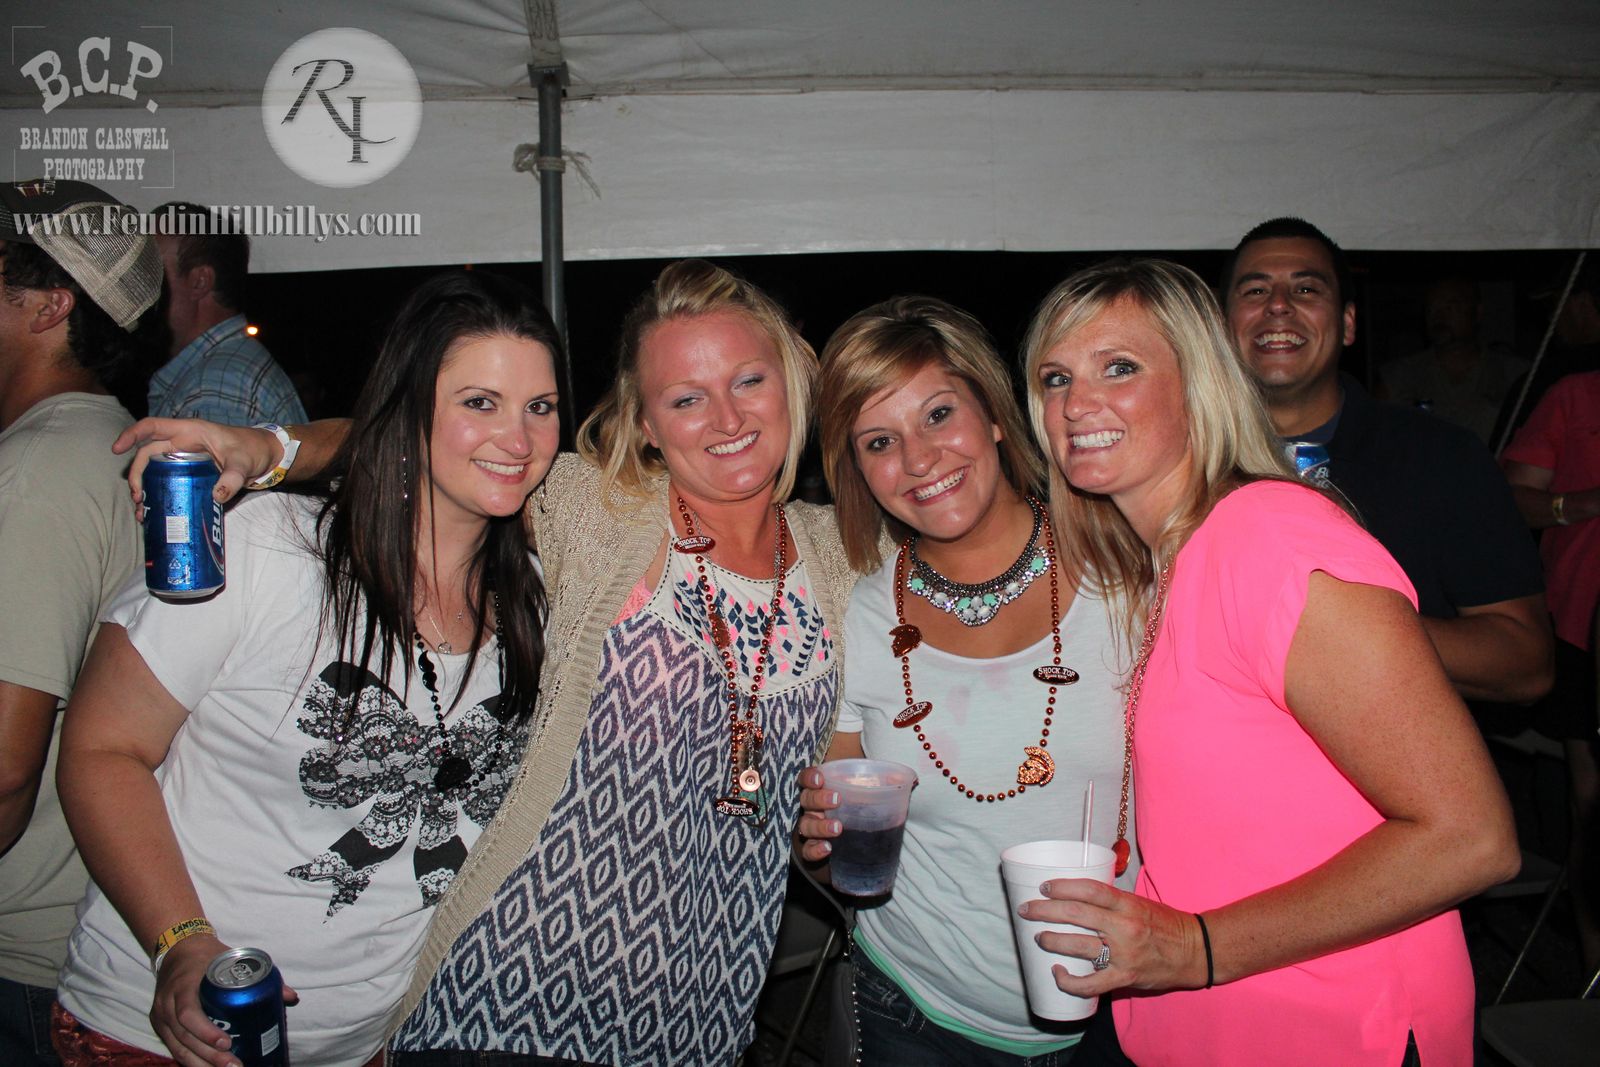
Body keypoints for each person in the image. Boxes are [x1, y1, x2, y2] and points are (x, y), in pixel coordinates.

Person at [111, 260, 861, 1065]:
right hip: (505, 1001)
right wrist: (269, 447)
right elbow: (418, 440)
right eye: (686, 397)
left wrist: (831, 834)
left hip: (701, 1021)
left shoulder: (843, 559)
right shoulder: (598, 509)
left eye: (748, 380)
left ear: (790, 380)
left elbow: (828, 802)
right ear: (645, 422)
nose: (727, 417)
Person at [1017, 258, 1519, 1065]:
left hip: (1336, 1028)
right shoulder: (1168, 562)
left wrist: (1198, 946)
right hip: (1215, 1025)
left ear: (1199, 382)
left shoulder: (1271, 538)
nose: (1077, 403)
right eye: (1055, 378)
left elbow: (1471, 837)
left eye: (1120, 367)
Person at [52, 270, 557, 1067]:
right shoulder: (267, 546)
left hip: (367, 1045)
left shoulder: (542, 588)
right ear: (406, 407)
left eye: (541, 406)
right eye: (479, 401)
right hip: (163, 1037)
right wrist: (181, 941)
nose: (519, 440)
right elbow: (101, 748)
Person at [795, 296, 1135, 1064]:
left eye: (939, 414)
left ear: (993, 415)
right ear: (857, 469)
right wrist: (815, 839)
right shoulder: (859, 611)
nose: (919, 459)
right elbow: (838, 845)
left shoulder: (1126, 572)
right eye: (880, 441)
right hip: (913, 1013)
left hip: (1123, 1016)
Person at [1222, 217, 1552, 705]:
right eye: (1255, 291)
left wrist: (1350, 623)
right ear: (1222, 327)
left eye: (1307, 289)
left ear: (1348, 324)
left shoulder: (1440, 457)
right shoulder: (1175, 466)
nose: (1278, 305)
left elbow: (1526, 661)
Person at [0, 179, 164, 1067]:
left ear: (49, 306)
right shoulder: (111, 440)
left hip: (22, 955)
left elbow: (3, 768)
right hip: (80, 937)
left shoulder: (38, 471)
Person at [1502, 369, 1600, 971]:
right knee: (1592, 802)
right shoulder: (1576, 396)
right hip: (1584, 626)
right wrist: (1580, 503)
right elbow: (1513, 495)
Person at [149, 201, 306, 425]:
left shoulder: (213, 391)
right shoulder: (222, 374)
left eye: (152, 269)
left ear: (200, 281)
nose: (137, 282)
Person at [1378, 277, 1528, 443]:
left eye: (1450, 307)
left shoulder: (1515, 375)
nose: (1438, 316)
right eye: (1431, 308)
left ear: (1477, 312)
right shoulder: (1398, 377)